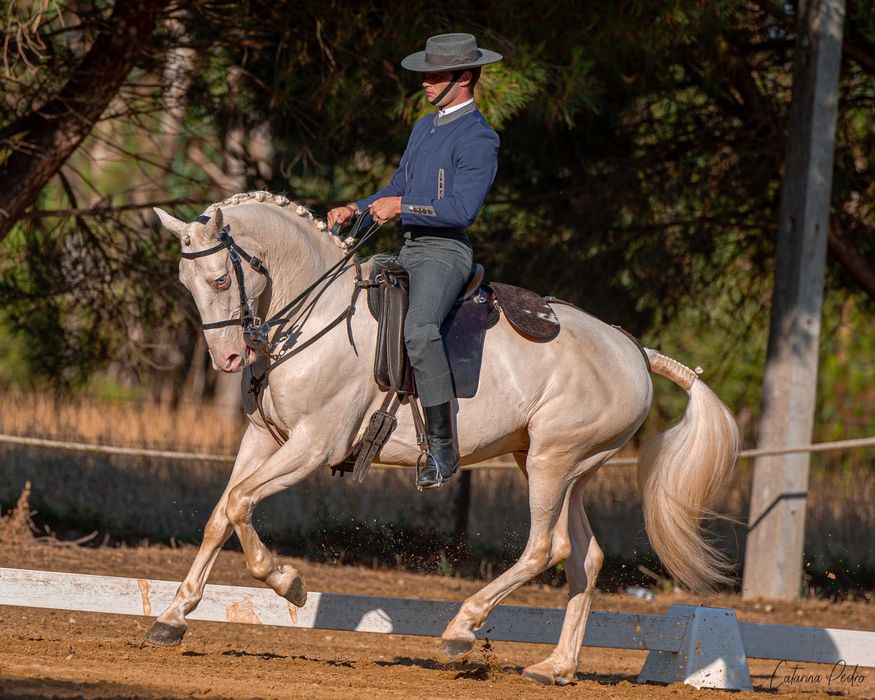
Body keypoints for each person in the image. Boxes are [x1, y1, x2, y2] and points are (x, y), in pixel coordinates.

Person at [328, 33, 502, 490]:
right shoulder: (423, 128)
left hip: (446, 251)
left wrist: (403, 207)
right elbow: (394, 188)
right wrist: (358, 207)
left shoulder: (481, 138)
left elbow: (463, 209)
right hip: (408, 248)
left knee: (420, 329)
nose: (425, 83)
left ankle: (443, 449)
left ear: (464, 78)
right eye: (425, 75)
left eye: (435, 75)